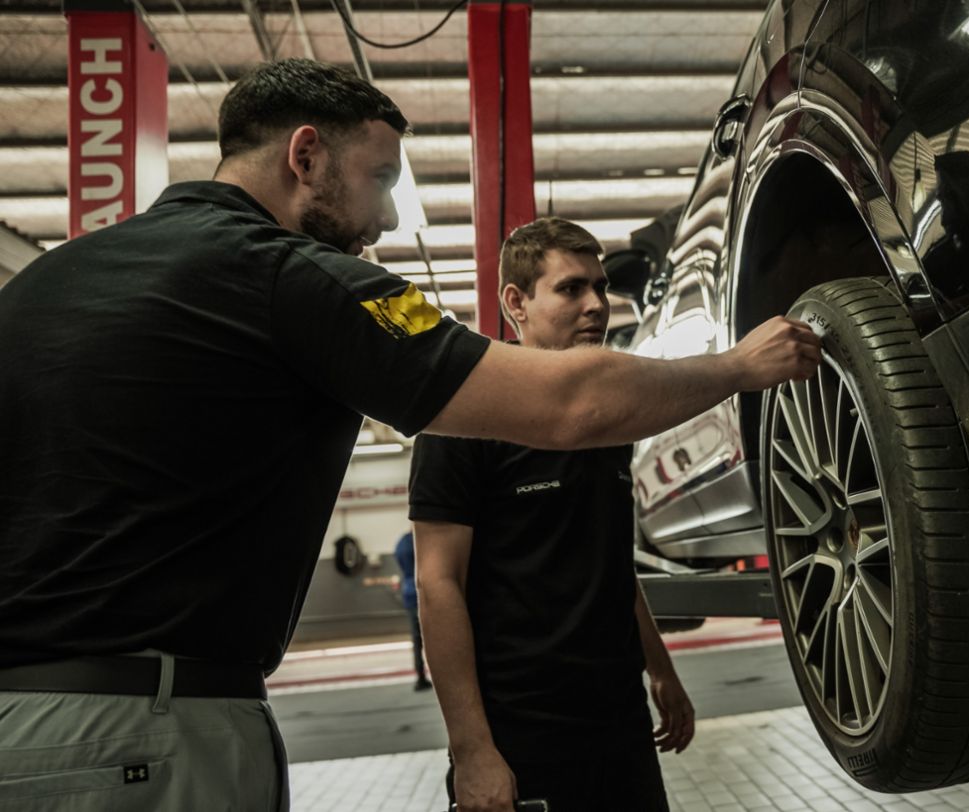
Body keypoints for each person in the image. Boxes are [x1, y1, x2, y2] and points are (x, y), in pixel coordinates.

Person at [0, 58, 819, 811]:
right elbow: (570, 405)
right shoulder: (287, 275)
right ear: (306, 155)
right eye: (381, 179)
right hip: (147, 740)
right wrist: (738, 367)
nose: (385, 218)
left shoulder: (47, 282)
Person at [410, 218, 692, 812]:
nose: (596, 305)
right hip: (523, 737)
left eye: (600, 286)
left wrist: (660, 668)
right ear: (517, 303)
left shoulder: (608, 422)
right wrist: (472, 750)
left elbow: (609, 559)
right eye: (570, 289)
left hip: (620, 726)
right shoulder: (463, 420)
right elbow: (438, 586)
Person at [394, 530, 431, 691]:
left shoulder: (401, 543)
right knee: (435, 638)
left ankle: (420, 676)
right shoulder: (422, 540)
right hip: (424, 591)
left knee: (417, 639)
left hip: (409, 591)